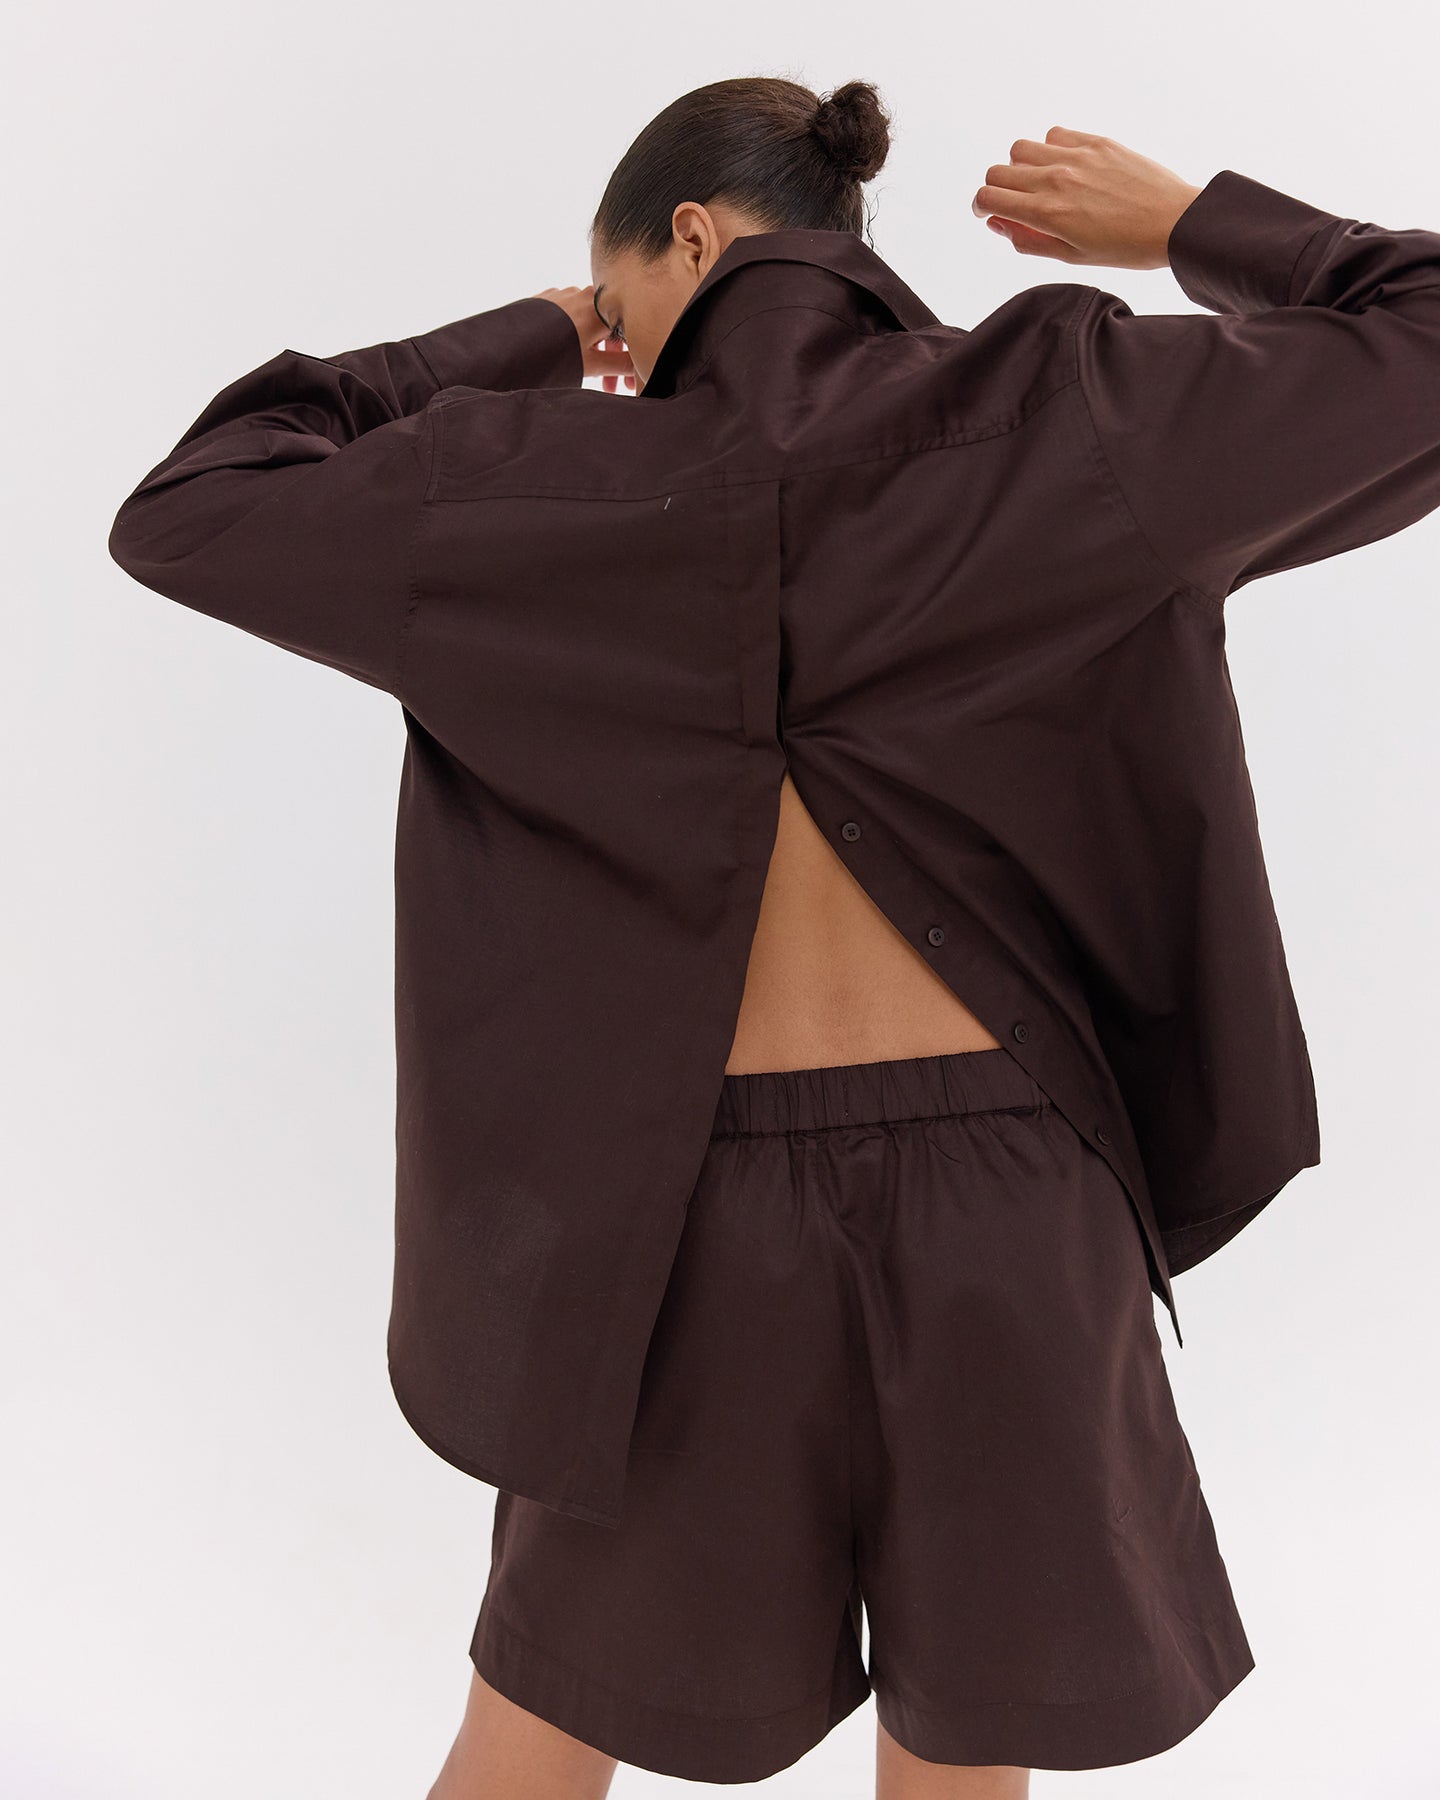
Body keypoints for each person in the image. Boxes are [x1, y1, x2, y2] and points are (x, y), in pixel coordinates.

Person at [107, 74, 1440, 1800]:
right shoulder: (1067, 407)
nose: (614, 356)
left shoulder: (521, 481)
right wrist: (1187, 224)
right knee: (967, 1754)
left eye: (620, 309)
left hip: (683, 1222)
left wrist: (530, 337)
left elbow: (195, 500)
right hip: (1015, 1196)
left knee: (530, 1746)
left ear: (687, 237)